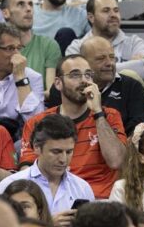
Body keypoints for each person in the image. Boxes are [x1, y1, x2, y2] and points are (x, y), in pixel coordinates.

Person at [20, 55, 127, 199]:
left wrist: (98, 113)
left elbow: (116, 161)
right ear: (58, 83)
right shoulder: (37, 122)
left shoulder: (109, 116)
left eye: (88, 75)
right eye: (75, 75)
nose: (84, 80)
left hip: (100, 201)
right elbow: (28, 173)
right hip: (53, 199)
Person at [0, 114, 95, 227]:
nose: (63, 159)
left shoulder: (82, 187)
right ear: (37, 148)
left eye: (69, 152)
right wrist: (48, 226)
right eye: (56, 152)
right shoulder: (11, 185)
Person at [65, 0, 144, 77]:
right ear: (91, 17)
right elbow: (77, 77)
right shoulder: (76, 47)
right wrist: (131, 65)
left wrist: (94, 69)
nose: (113, 15)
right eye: (106, 10)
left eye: (116, 10)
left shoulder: (134, 43)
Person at [0, 0, 59, 87]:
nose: (28, 9)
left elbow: (51, 93)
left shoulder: (49, 45)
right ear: (6, 13)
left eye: (30, 4)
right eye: (21, 4)